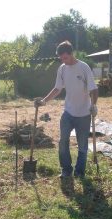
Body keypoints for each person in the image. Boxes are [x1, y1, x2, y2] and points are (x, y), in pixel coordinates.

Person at [35, 40, 98, 178]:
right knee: (63, 141)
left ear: (71, 54)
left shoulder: (83, 67)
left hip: (84, 114)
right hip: (68, 112)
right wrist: (44, 101)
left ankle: (79, 172)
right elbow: (57, 88)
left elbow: (93, 89)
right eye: (61, 58)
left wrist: (94, 105)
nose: (63, 61)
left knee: (82, 146)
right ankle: (66, 169)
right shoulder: (62, 69)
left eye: (65, 58)